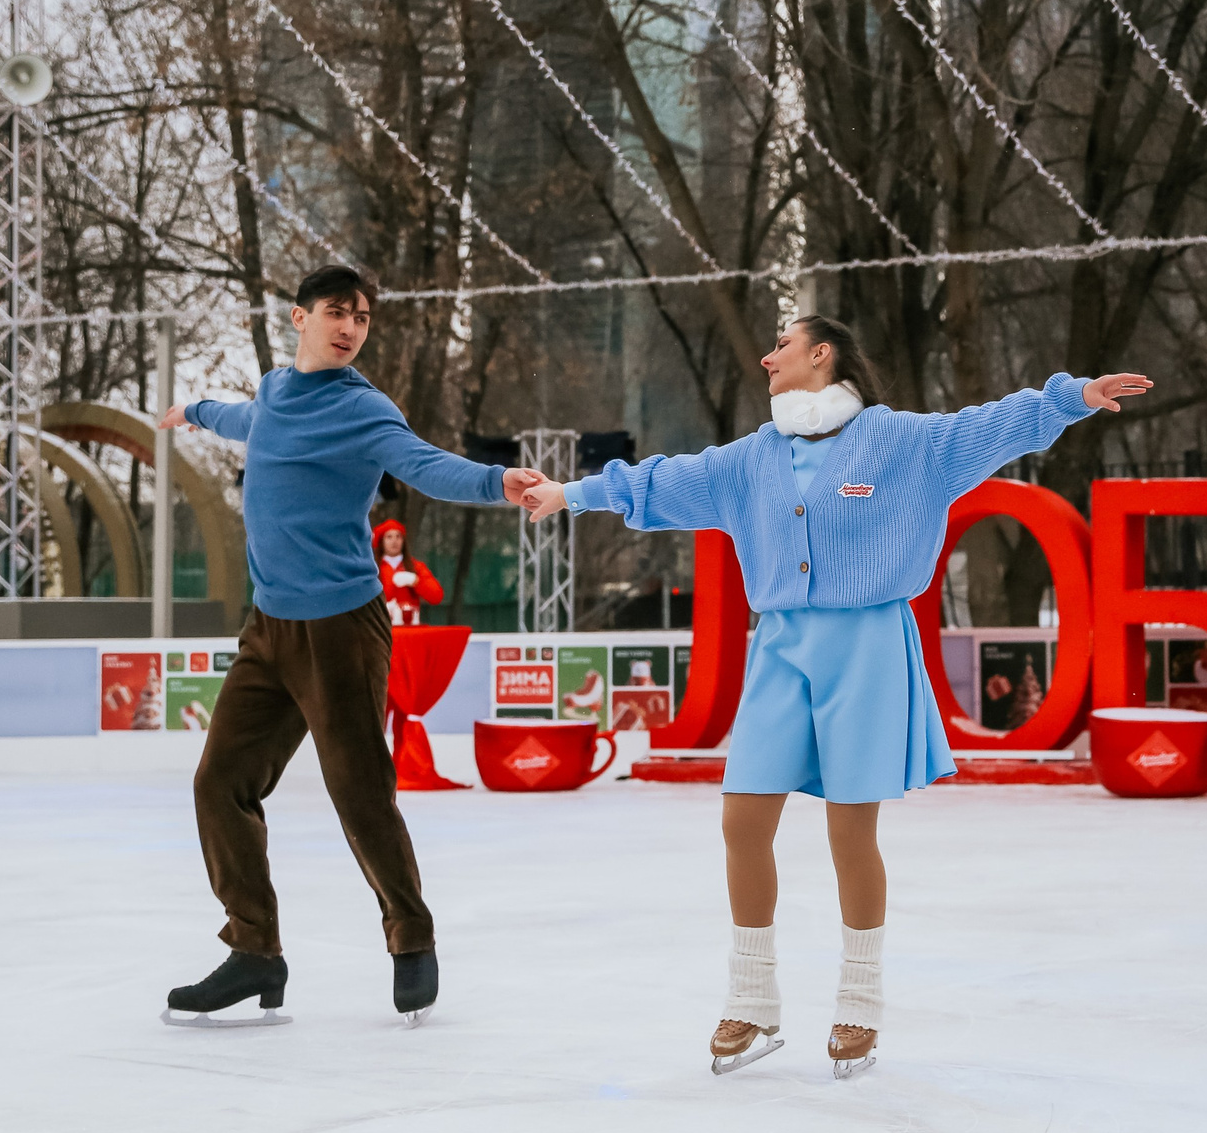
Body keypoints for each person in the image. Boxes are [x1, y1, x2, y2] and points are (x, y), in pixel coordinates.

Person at [518, 315, 1150, 1078]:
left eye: (782, 343)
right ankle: (752, 996)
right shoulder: (755, 456)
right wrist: (570, 492)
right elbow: (664, 480)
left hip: (868, 646)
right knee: (742, 817)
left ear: (823, 354)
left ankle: (860, 1001)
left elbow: (991, 426)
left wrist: (1070, 397)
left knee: (851, 831)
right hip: (780, 646)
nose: (766, 354)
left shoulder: (903, 442)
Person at [156, 265, 543, 1027]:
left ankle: (411, 938)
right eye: (337, 311)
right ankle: (256, 953)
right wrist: (194, 410)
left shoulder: (363, 408)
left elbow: (425, 464)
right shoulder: (274, 393)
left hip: (341, 627)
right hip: (268, 629)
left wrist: (498, 482)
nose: (351, 325)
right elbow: (245, 419)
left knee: (360, 792)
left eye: (362, 315)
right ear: (299, 317)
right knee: (219, 783)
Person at [372, 519, 445, 627]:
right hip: (380, 629)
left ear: (403, 541)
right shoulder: (373, 569)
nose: (394, 541)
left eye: (398, 536)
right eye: (389, 537)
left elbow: (436, 596)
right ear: (381, 541)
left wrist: (415, 581)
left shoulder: (416, 567)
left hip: (409, 629)